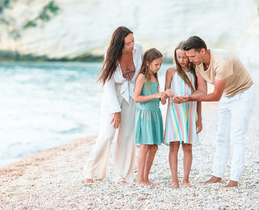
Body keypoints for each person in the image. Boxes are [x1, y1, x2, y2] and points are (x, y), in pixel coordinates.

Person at [176, 36, 255, 188]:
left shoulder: (222, 61)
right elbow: (201, 91)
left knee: (237, 136)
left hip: (243, 94)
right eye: (188, 57)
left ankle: (234, 179)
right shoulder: (198, 63)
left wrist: (189, 99)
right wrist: (188, 97)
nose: (190, 60)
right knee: (221, 136)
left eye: (192, 56)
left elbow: (215, 95)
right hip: (227, 94)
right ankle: (217, 175)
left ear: (203, 51)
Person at [83, 26, 142, 185]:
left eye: (132, 41)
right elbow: (108, 85)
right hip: (113, 95)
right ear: (119, 44)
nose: (132, 46)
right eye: (128, 43)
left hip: (129, 95)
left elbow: (140, 75)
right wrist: (115, 111)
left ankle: (120, 175)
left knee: (126, 136)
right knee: (107, 134)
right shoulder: (110, 54)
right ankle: (90, 171)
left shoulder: (138, 49)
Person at [163, 42, 202, 188]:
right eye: (178, 57)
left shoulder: (195, 73)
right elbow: (165, 92)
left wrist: (200, 119)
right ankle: (175, 180)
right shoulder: (171, 72)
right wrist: (169, 95)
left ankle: (186, 180)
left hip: (189, 113)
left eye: (184, 57)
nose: (181, 60)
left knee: (188, 147)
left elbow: (199, 97)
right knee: (173, 146)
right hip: (174, 113)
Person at [134, 48, 166, 187]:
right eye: (156, 64)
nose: (159, 67)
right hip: (145, 115)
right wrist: (156, 95)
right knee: (145, 147)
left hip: (155, 113)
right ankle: (139, 180)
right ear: (147, 63)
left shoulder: (154, 76)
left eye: (160, 64)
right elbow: (137, 98)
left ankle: (146, 178)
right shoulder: (142, 76)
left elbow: (155, 97)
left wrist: (162, 98)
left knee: (154, 147)